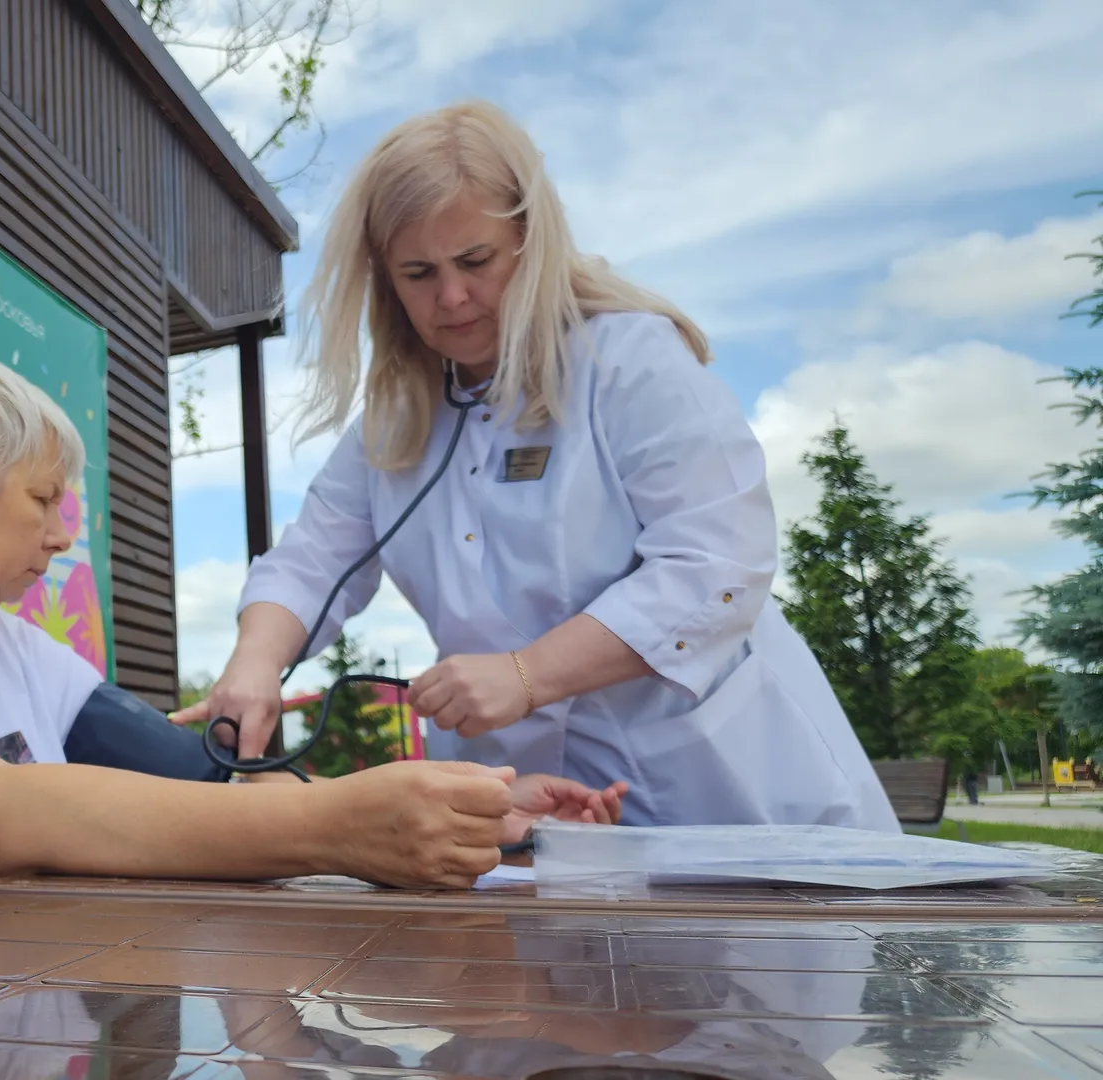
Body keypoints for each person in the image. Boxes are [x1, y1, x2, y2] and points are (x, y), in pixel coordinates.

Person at [0, 353, 625, 937]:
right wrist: (344, 827)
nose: (62, 535)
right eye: (44, 500)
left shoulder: (17, 652)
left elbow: (205, 782)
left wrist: (477, 812)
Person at [174, 101, 898, 833]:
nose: (451, 297)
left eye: (476, 261)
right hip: (525, 811)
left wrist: (529, 676)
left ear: (530, 242)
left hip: (724, 789)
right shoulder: (389, 427)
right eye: (419, 272)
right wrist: (254, 663)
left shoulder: (629, 363)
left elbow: (717, 565)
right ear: (384, 282)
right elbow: (310, 561)